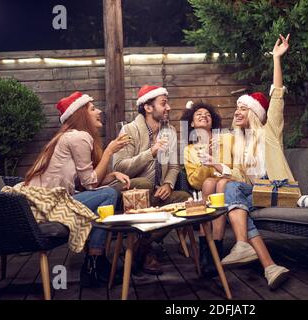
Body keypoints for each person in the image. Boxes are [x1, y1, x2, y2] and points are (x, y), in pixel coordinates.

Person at [200, 34, 295, 290]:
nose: (237, 112)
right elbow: (241, 180)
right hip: (256, 193)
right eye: (236, 108)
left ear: (255, 113)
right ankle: (271, 267)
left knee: (229, 190)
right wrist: (219, 166)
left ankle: (241, 245)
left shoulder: (270, 131)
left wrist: (276, 59)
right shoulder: (241, 143)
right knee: (235, 196)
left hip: (276, 190)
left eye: (243, 108)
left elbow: (276, 96)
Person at [24, 91, 131, 287]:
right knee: (108, 194)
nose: (99, 111)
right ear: (81, 114)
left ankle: (95, 262)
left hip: (44, 201)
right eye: (92, 108)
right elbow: (91, 184)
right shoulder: (79, 137)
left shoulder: (67, 136)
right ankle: (95, 262)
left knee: (106, 193)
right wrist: (109, 151)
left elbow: (86, 182)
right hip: (46, 205)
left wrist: (113, 175)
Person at [113, 85, 190, 275]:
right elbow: (119, 166)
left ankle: (140, 245)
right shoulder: (129, 130)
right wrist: (151, 152)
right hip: (130, 189)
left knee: (185, 199)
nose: (168, 107)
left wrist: (168, 184)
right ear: (148, 107)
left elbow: (174, 167)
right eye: (163, 103)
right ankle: (146, 252)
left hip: (156, 192)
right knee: (145, 185)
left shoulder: (169, 131)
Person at [181, 102, 232, 277]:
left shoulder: (225, 140)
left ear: (213, 121)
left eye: (208, 114)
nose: (204, 115)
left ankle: (214, 249)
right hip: (206, 189)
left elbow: (233, 168)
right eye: (198, 114)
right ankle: (207, 251)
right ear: (192, 124)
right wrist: (206, 162)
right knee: (209, 183)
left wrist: (215, 159)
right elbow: (194, 181)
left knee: (218, 183)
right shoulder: (189, 150)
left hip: (228, 183)